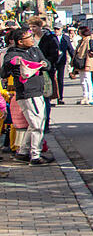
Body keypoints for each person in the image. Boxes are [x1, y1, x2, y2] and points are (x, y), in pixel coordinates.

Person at [1, 28, 55, 165]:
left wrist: (44, 64)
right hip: (26, 93)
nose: (32, 39)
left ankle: (23, 152)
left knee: (37, 122)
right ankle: (35, 156)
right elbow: (4, 73)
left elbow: (47, 64)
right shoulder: (12, 54)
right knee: (36, 125)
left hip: (39, 91)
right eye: (29, 37)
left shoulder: (35, 50)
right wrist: (13, 63)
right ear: (20, 41)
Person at [52, 24, 75, 105]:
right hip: (52, 61)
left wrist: (74, 59)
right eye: (55, 29)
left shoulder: (65, 38)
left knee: (60, 80)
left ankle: (60, 97)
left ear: (61, 29)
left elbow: (70, 49)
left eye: (57, 29)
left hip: (61, 61)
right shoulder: (50, 38)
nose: (56, 31)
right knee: (52, 79)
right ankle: (51, 97)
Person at [73, 26, 93, 105]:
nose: (78, 32)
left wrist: (87, 64)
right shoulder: (81, 40)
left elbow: (90, 53)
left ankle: (90, 97)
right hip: (80, 62)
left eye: (79, 31)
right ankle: (85, 96)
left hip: (86, 62)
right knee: (82, 80)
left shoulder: (89, 40)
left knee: (88, 79)